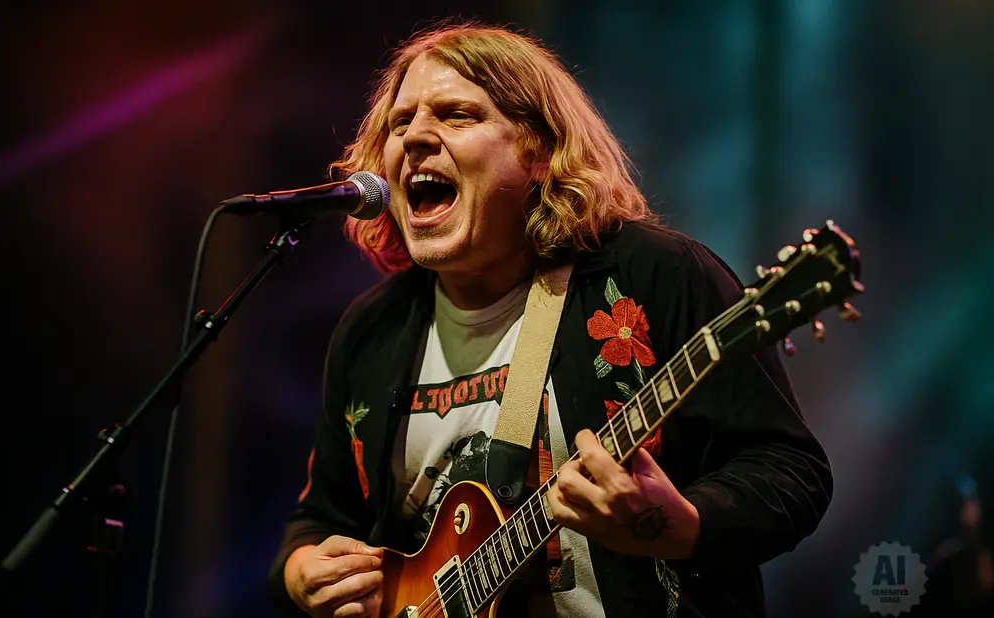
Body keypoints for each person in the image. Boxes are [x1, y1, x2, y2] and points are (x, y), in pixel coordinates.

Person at [267, 21, 833, 618]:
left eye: (456, 115)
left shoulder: (654, 277)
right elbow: (321, 518)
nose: (415, 138)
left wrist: (680, 524)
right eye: (400, 123)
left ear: (538, 152)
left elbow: (790, 470)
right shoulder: (371, 330)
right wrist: (303, 573)